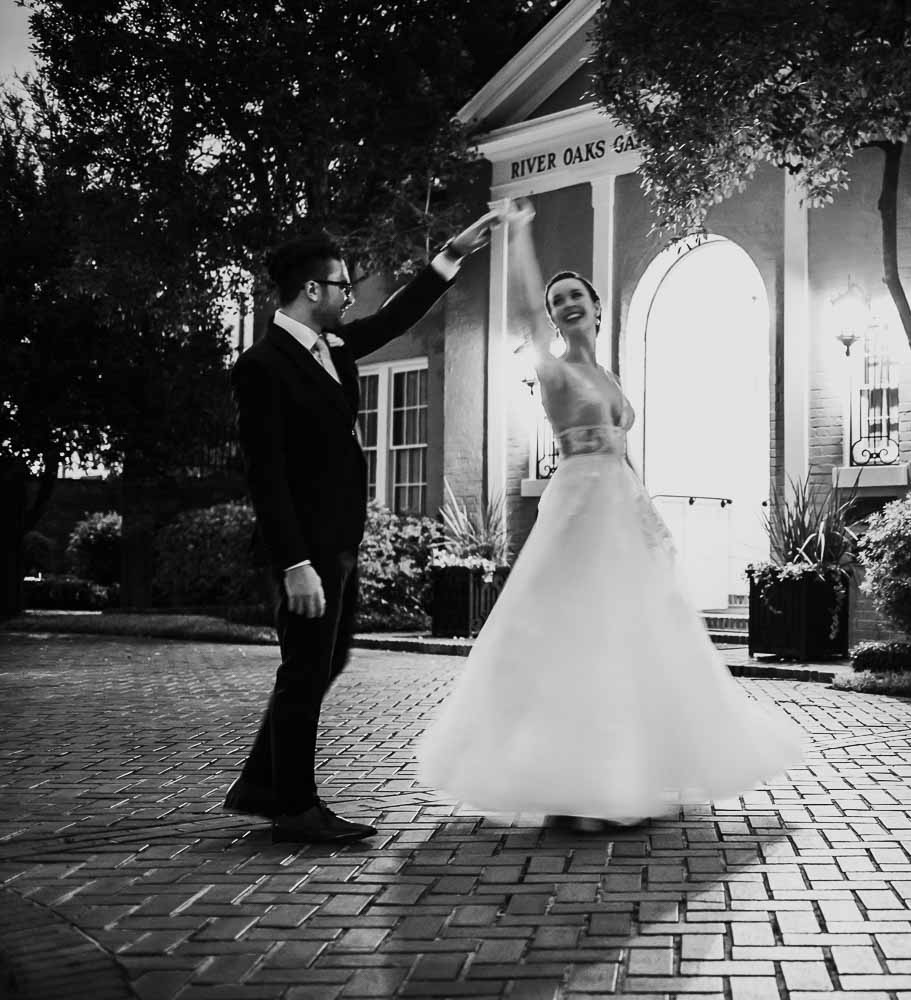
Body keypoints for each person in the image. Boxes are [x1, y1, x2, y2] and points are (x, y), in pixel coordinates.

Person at [418, 199, 805, 829]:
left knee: (636, 629)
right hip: (578, 503)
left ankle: (628, 772)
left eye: (576, 296)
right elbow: (520, 309)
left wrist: (648, 515)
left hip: (619, 502)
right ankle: (574, 786)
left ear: (597, 308)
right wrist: (517, 239)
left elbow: (622, 451)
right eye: (558, 300)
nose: (567, 304)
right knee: (580, 627)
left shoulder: (606, 371)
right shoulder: (553, 367)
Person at [225, 210, 499, 844]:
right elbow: (265, 475)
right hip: (306, 548)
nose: (351, 295)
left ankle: (262, 784)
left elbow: (395, 318)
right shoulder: (264, 366)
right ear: (312, 290)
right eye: (343, 285)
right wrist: (294, 563)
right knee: (303, 669)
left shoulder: (334, 347)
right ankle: (294, 806)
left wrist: (450, 256)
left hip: (338, 540)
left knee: (325, 661)